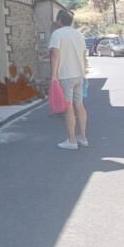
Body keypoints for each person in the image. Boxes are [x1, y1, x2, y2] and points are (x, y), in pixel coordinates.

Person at [48, 9, 88, 150]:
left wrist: (54, 76)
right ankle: (82, 137)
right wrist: (84, 73)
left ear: (59, 20)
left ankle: (72, 140)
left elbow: (55, 55)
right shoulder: (79, 34)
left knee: (68, 106)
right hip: (79, 74)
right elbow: (83, 57)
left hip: (66, 75)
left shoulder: (57, 34)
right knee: (79, 104)